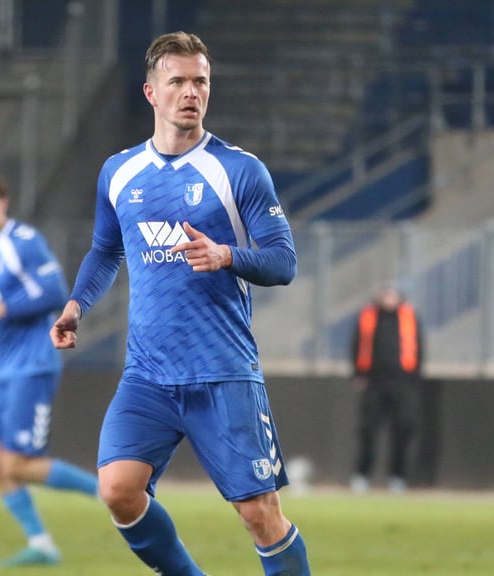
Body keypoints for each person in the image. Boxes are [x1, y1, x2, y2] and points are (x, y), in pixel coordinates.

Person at [50, 31, 311, 576]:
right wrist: (77, 304)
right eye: (179, 82)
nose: (192, 92)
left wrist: (227, 255)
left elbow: (284, 262)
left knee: (259, 513)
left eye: (201, 81)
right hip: (148, 374)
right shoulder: (119, 173)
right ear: (151, 92)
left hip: (223, 372)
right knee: (118, 489)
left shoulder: (238, 170)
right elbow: (105, 248)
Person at [0, 167, 99, 567]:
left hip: (33, 363)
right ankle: (42, 544)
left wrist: (3, 308)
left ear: (3, 204)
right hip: (4, 367)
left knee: (17, 463)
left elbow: (54, 292)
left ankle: (107, 491)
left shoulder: (24, 242)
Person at [348, 283, 424, 495]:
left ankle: (397, 478)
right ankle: (362, 476)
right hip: (374, 383)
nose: (389, 299)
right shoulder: (368, 316)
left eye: (393, 295)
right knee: (368, 431)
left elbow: (418, 347)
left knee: (402, 430)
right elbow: (356, 345)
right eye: (386, 294)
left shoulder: (410, 316)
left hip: (402, 382)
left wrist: (415, 379)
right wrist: (358, 374)